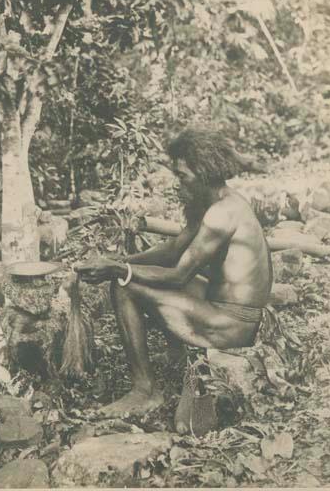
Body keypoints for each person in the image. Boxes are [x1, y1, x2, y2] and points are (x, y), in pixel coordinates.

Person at [74, 126, 273, 432]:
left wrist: (119, 271)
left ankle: (145, 391)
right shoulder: (214, 202)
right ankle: (174, 361)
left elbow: (179, 272)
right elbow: (174, 249)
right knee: (135, 276)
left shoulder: (224, 213)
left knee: (125, 287)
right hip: (221, 307)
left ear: (204, 172)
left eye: (183, 177)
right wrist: (121, 260)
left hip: (234, 325)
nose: (179, 185)